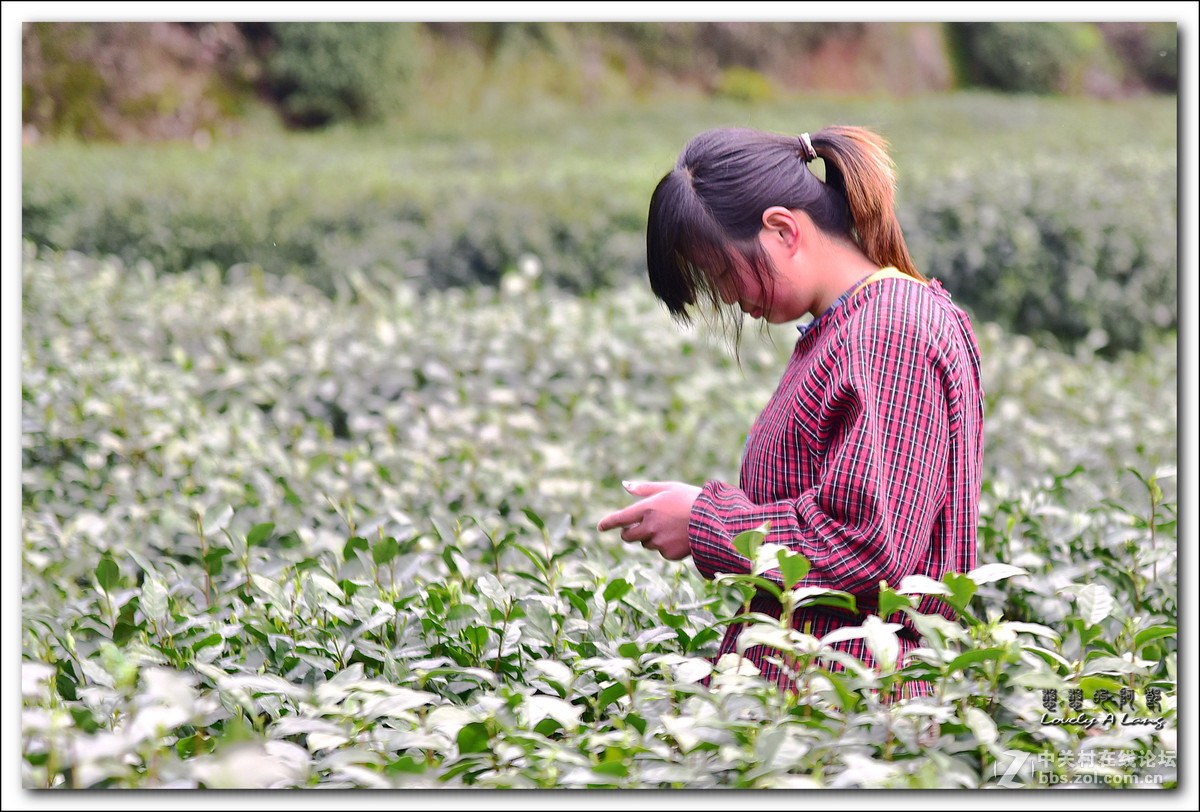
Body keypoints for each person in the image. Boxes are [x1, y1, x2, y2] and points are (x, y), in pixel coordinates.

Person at [596, 126, 984, 696]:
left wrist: (705, 522)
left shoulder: (890, 329)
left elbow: (870, 549)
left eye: (725, 272)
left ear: (782, 229)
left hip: (850, 716)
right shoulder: (848, 328)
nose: (728, 296)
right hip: (816, 700)